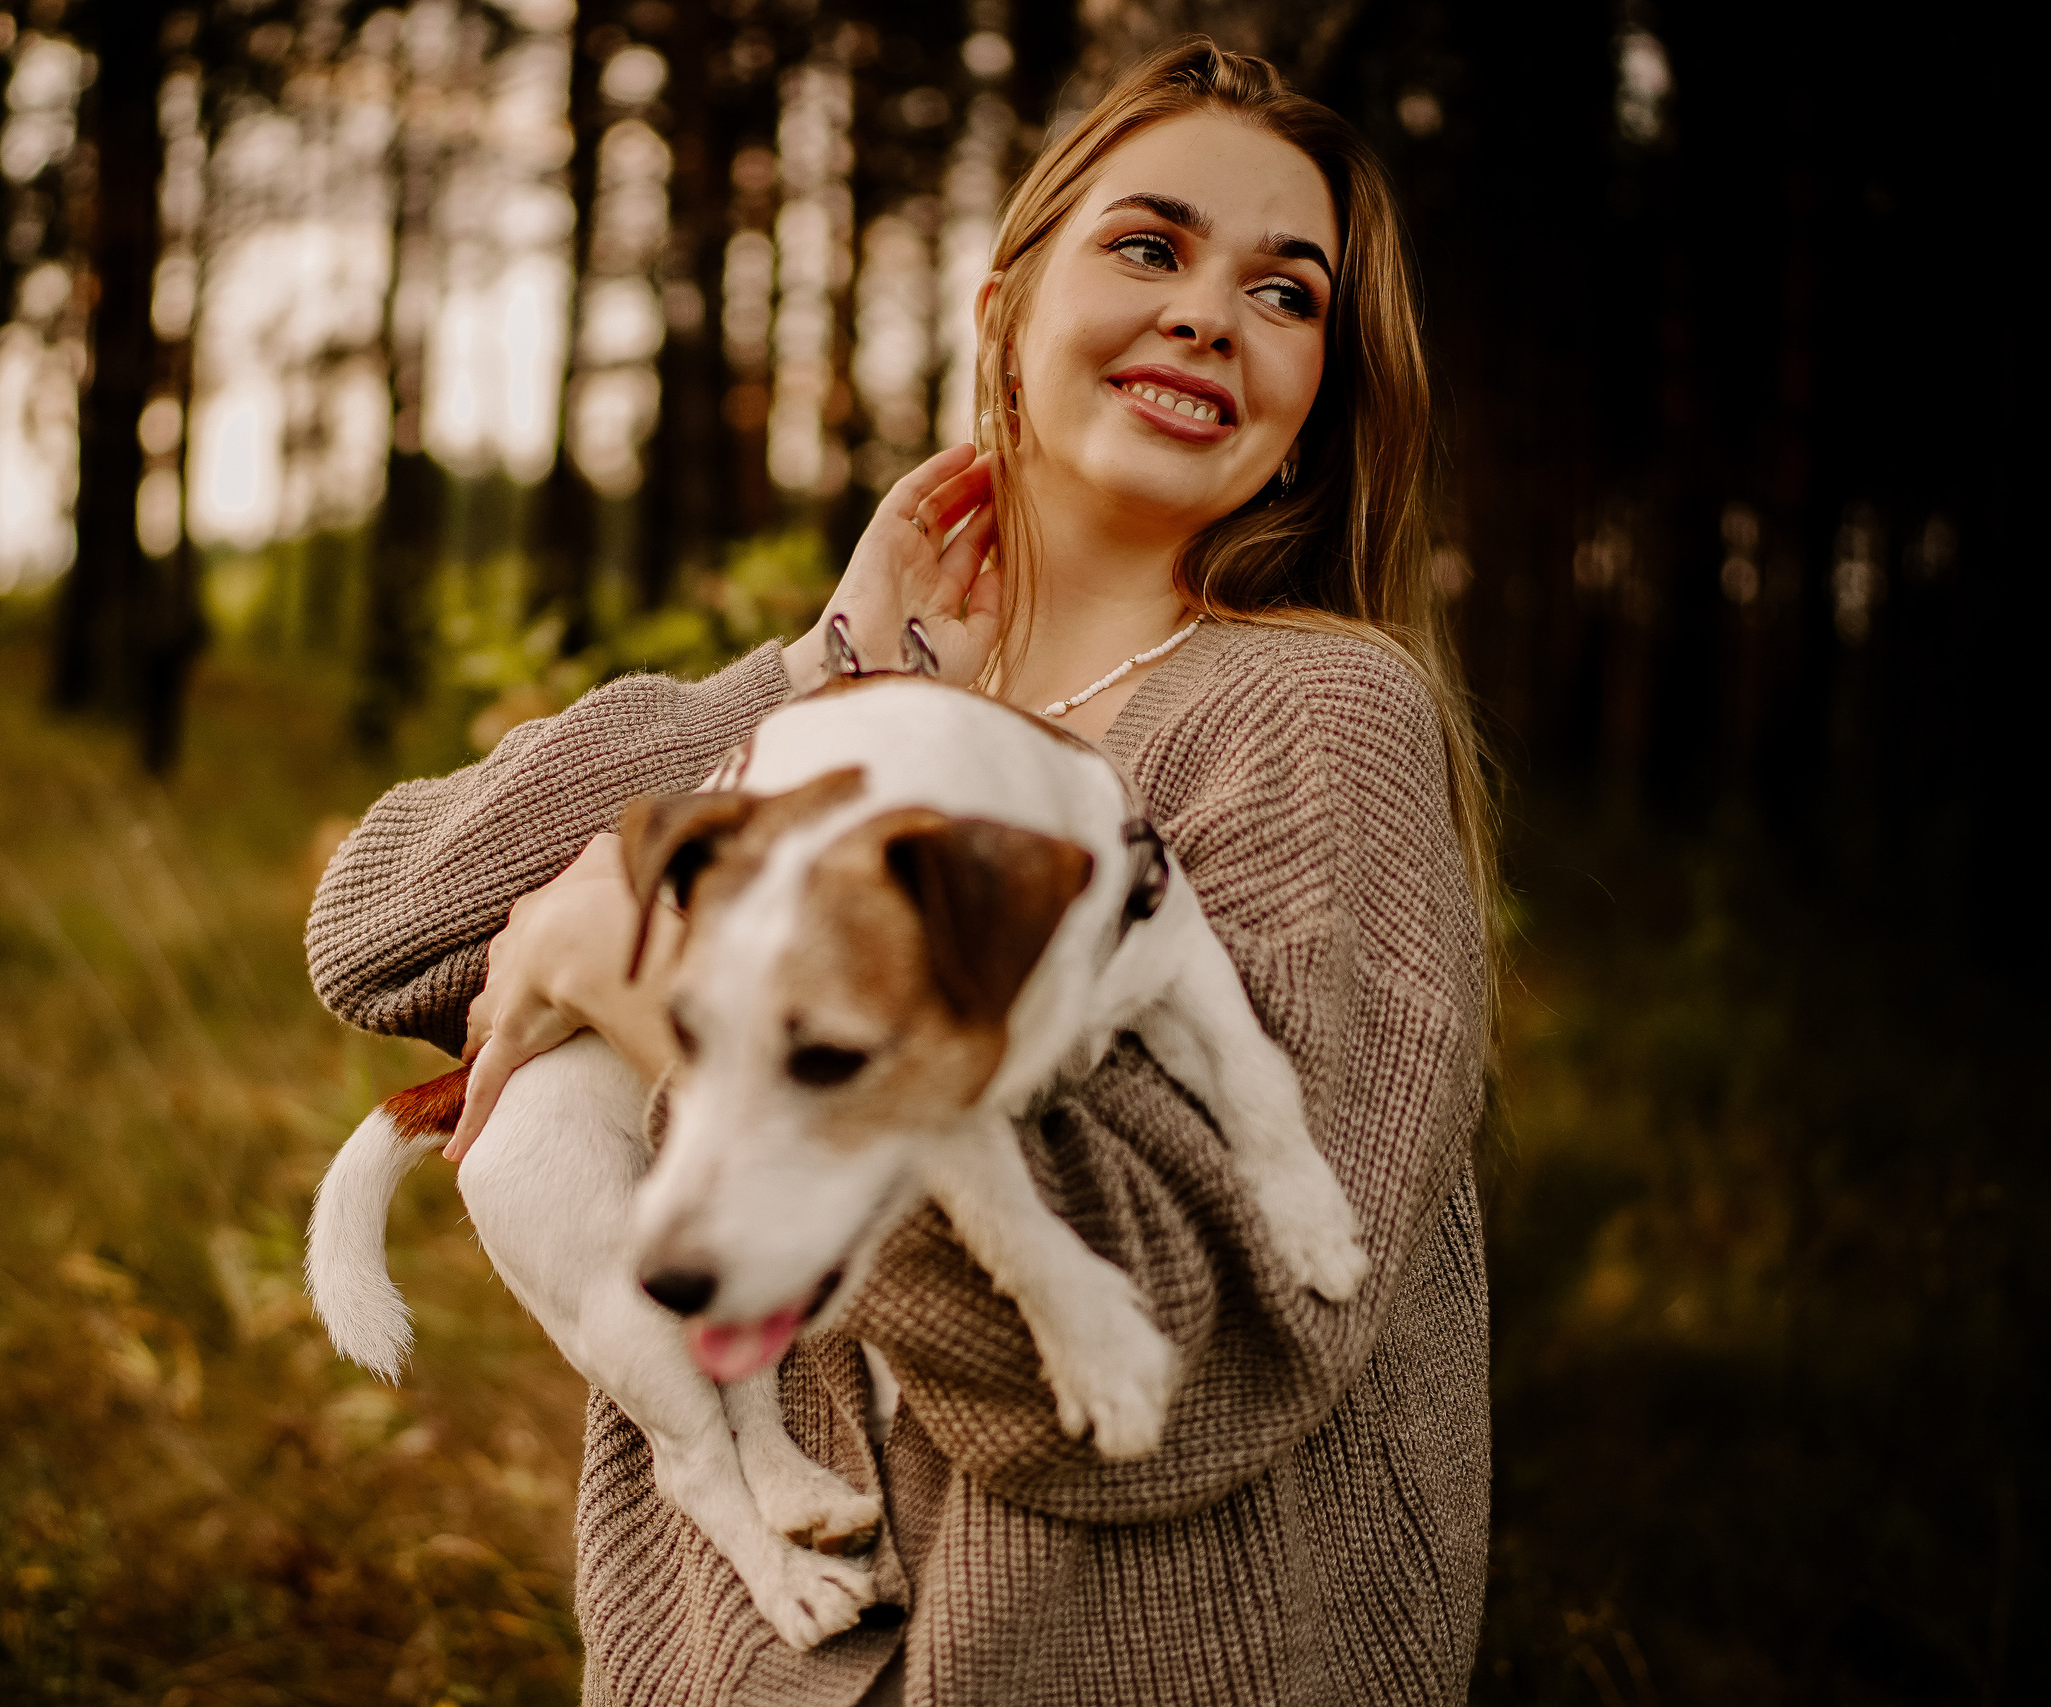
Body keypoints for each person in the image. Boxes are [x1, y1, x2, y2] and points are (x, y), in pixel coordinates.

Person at [306, 35, 1494, 1707]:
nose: (1209, 315)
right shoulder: (852, 714)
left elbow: (1199, 1350)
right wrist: (819, 662)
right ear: (1005, 305)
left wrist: (631, 974)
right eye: (1148, 248)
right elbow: (380, 935)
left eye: (1285, 294)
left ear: (1314, 407)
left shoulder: (1311, 715)